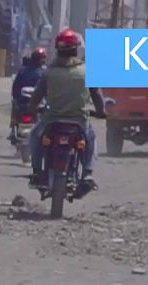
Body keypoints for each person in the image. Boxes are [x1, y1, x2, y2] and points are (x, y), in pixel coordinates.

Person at [29, 28, 107, 191]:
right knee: (90, 139)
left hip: (52, 120)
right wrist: (101, 111)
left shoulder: (49, 72)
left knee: (35, 137)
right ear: (76, 49)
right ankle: (87, 173)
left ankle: (37, 171)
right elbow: (97, 97)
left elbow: (36, 97)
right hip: (79, 121)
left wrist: (32, 108)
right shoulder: (86, 71)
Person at [10, 47, 46, 130]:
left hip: (31, 103)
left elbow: (15, 88)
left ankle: (13, 122)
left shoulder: (24, 70)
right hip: (31, 103)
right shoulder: (43, 73)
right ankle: (14, 123)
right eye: (42, 58)